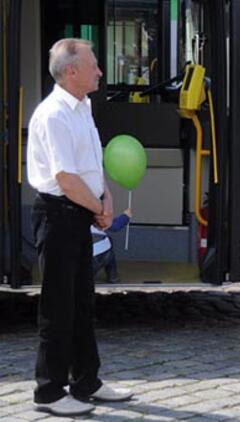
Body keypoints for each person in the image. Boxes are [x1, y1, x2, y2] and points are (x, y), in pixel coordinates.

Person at [27, 38, 133, 417]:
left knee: (82, 304)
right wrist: (98, 209)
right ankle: (49, 392)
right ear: (71, 72)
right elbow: (65, 178)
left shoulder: (82, 106)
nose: (100, 72)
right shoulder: (54, 113)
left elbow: (92, 162)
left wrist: (104, 200)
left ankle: (87, 381)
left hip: (80, 212)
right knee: (57, 307)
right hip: (58, 215)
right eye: (94, 65)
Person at [92, 208, 132, 283]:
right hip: (102, 254)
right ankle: (113, 276)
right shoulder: (97, 220)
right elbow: (115, 225)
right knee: (107, 242)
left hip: (82, 261)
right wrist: (126, 216)